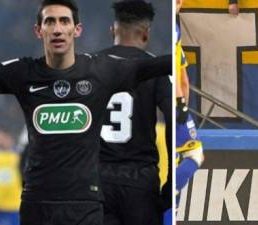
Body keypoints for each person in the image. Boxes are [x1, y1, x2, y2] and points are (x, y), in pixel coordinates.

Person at [0, 0, 171, 224]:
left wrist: (179, 43)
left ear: (77, 30)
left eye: (64, 21)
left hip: (85, 204)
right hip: (37, 204)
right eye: (50, 21)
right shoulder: (24, 72)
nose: (58, 29)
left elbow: (153, 66)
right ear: (38, 31)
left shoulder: (100, 70)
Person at [96, 1, 172, 225]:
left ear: (113, 31)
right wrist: (169, 185)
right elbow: (172, 117)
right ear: (146, 33)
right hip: (140, 181)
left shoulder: (89, 65)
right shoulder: (158, 70)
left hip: (97, 180)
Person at [175, 0, 204, 220]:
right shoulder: (173, 31)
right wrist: (182, 104)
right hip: (174, 104)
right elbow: (183, 81)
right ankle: (172, 190)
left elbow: (184, 78)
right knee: (194, 153)